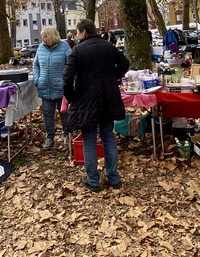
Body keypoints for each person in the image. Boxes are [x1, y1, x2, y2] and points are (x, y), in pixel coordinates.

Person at [63, 18, 129, 192]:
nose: (77, 36)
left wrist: (71, 96)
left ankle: (93, 180)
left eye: (77, 32)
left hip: (87, 99)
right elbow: (125, 63)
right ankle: (114, 178)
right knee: (108, 136)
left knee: (89, 140)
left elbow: (67, 77)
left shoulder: (77, 50)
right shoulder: (109, 46)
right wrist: (112, 76)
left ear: (83, 31)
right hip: (108, 96)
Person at [33, 27, 71, 149]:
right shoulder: (40, 48)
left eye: (45, 36)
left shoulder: (64, 47)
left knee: (63, 112)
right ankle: (50, 137)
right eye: (42, 37)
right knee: (47, 113)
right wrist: (37, 79)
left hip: (61, 87)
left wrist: (67, 81)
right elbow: (36, 65)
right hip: (45, 87)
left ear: (51, 36)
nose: (42, 39)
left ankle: (67, 135)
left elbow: (71, 66)